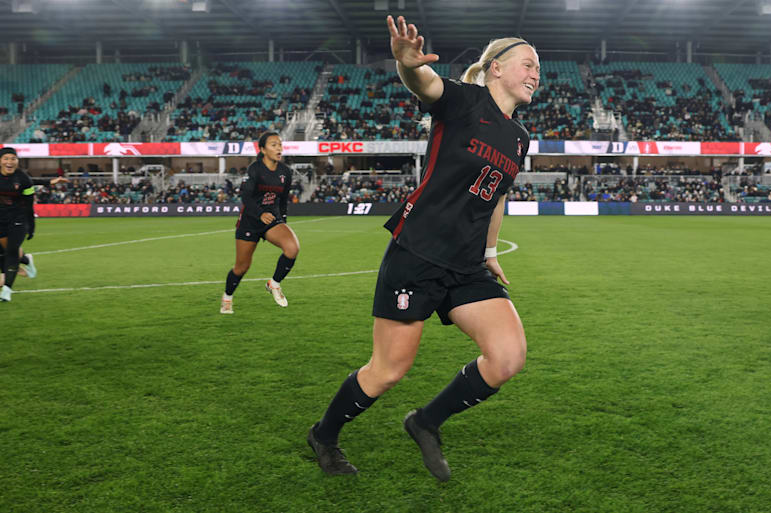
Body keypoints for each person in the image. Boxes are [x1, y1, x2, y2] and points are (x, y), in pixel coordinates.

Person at [307, 15, 538, 481]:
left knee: (508, 357)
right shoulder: (464, 101)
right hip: (418, 253)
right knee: (388, 370)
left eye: (539, 68)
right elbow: (425, 84)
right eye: (528, 64)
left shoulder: (519, 138)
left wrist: (490, 251)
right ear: (495, 68)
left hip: (466, 265)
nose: (536, 74)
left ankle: (425, 422)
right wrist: (407, 63)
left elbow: (496, 196)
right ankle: (324, 435)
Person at [220, 132, 299, 314]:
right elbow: (246, 197)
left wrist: (282, 221)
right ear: (263, 149)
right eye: (273, 145)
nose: (279, 148)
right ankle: (227, 297)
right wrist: (260, 213)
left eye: (280, 144)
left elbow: (283, 200)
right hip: (250, 220)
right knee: (242, 267)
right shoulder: (254, 169)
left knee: (292, 248)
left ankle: (274, 284)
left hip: (271, 219)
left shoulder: (285, 172)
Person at [0, 147, 37, 302]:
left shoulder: (23, 179)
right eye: (6, 158)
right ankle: (26, 260)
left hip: (18, 219)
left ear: (17, 161)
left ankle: (7, 290)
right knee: (5, 249)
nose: (9, 162)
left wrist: (31, 226)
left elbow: (29, 205)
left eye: (13, 159)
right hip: (1, 220)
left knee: (11, 252)